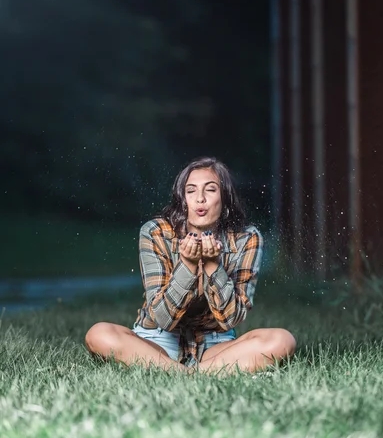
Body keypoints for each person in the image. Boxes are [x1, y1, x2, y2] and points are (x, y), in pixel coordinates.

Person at [85, 157, 296, 376]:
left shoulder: (247, 238)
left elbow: (231, 318)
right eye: (191, 191)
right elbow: (163, 319)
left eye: (211, 190)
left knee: (281, 341)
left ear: (225, 199)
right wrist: (187, 265)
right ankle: (193, 374)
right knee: (99, 334)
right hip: (157, 341)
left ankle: (179, 373)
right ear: (182, 199)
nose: (200, 199)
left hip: (216, 346)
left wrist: (214, 266)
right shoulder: (156, 232)